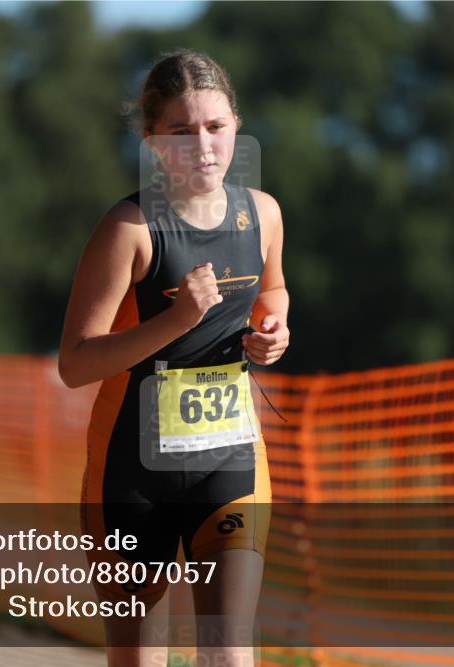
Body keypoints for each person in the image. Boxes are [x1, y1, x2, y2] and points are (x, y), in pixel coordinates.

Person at [58, 48, 290, 667]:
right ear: (152, 142)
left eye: (215, 127)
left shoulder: (261, 214)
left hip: (231, 462)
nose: (204, 146)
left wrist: (276, 326)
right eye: (182, 132)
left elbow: (272, 288)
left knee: (230, 655)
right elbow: (76, 363)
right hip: (133, 476)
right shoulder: (129, 230)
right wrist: (177, 320)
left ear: (236, 124)